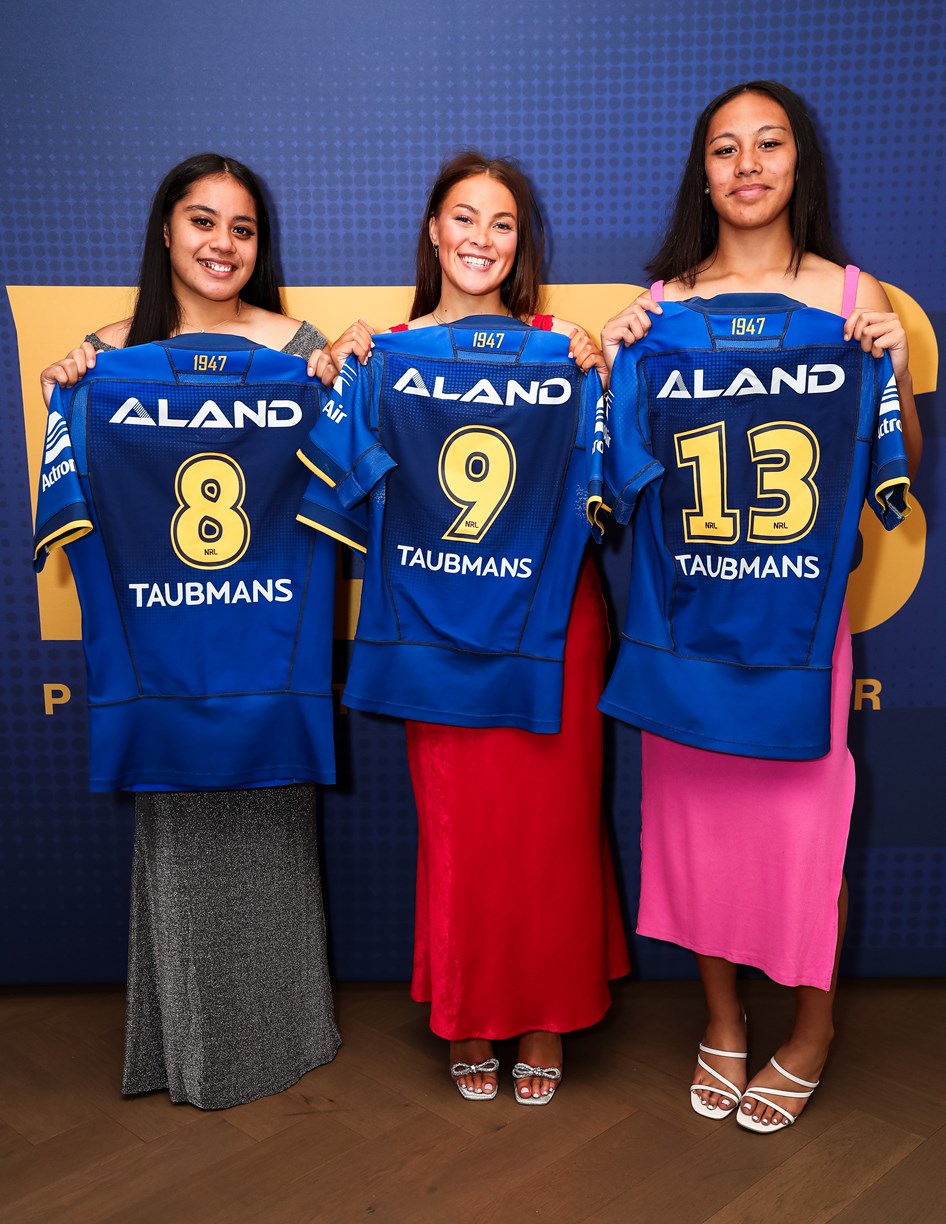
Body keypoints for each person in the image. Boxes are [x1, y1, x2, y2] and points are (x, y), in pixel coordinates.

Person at [601, 81, 921, 1133]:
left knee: (805, 836)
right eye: (725, 148)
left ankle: (813, 1030)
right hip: (684, 627)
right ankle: (723, 1017)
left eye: (767, 144)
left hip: (795, 631)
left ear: (797, 162)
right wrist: (611, 362)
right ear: (702, 173)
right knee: (698, 833)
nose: (746, 165)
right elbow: (612, 472)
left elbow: (900, 468)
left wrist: (891, 364)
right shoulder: (659, 309)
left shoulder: (852, 297)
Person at [40, 152, 344, 1109]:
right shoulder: (104, 357)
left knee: (273, 843)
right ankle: (190, 1054)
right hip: (169, 667)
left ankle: (290, 1034)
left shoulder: (301, 350)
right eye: (203, 221)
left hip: (264, 660)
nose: (223, 244)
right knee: (180, 849)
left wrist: (348, 381)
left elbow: (353, 468)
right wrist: (65, 393)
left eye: (242, 229)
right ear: (166, 229)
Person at [337, 151, 630, 1105]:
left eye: (502, 223)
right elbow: (329, 481)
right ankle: (469, 1010)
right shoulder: (382, 353)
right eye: (464, 217)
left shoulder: (563, 347)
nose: (481, 239)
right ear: (433, 230)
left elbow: (618, 481)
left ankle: (547, 1014)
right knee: (460, 827)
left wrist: (605, 373)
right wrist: (340, 372)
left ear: (522, 242)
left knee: (553, 825)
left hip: (550, 624)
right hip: (436, 623)